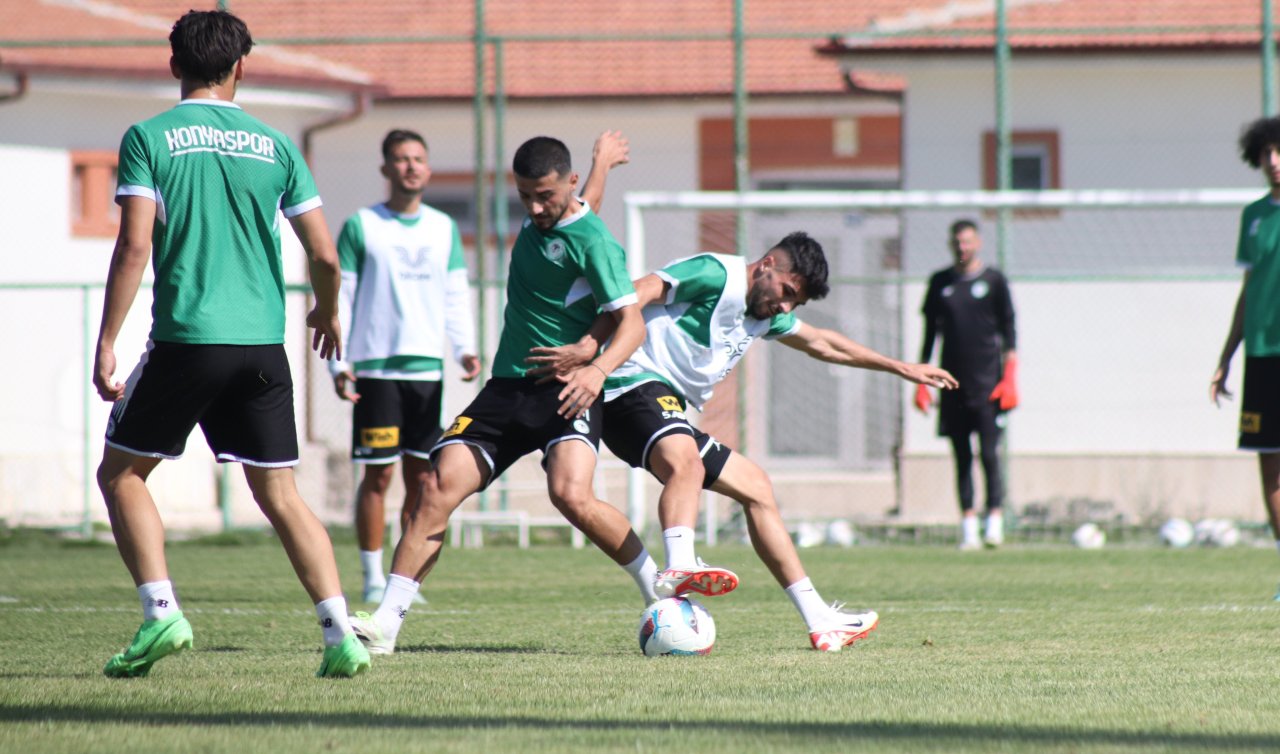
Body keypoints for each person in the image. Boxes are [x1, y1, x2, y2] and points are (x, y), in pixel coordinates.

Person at [91, 10, 369, 679]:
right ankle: (340, 635)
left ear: (173, 65)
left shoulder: (148, 137)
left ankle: (162, 615)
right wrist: (327, 314)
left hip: (190, 338)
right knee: (280, 494)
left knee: (121, 474)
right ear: (242, 66)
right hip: (263, 348)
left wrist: (107, 340)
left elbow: (133, 244)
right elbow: (326, 256)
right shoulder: (277, 145)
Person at [349, 134, 696, 654]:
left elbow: (632, 324)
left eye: (545, 197)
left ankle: (659, 590)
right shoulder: (559, 215)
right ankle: (385, 627)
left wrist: (596, 369)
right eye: (525, 196)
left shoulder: (596, 241)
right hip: (506, 389)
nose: (535, 208)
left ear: (568, 184)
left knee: (570, 494)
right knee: (436, 488)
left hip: (567, 393)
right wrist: (601, 165)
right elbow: (581, 212)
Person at [528, 233, 958, 651]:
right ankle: (678, 563)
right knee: (687, 466)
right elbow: (636, 292)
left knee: (757, 487)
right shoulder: (717, 273)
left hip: (659, 403)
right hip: (630, 384)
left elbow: (824, 343)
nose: (785, 305)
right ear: (767, 264)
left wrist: (901, 367)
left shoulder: (766, 315)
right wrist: (592, 349)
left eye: (796, 302)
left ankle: (820, 620)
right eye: (787, 291)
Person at [327, 129, 482, 604]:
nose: (411, 166)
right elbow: (344, 297)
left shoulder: (443, 228)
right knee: (377, 476)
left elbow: (456, 293)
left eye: (418, 158)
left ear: (428, 168)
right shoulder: (362, 225)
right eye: (401, 158)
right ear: (385, 168)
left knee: (424, 479)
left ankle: (402, 580)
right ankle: (372, 576)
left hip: (426, 372)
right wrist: (340, 361)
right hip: (376, 371)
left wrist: (465, 347)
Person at [914, 219, 1018, 550]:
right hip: (951, 386)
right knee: (961, 457)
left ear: (979, 243)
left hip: (988, 386)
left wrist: (1010, 375)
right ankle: (969, 526)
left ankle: (995, 523)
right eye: (958, 242)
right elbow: (930, 333)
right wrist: (922, 380)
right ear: (951, 244)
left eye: (968, 241)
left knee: (989, 455)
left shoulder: (994, 281)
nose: (963, 247)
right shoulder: (940, 283)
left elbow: (1009, 329)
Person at [1211, 116, 1280, 600]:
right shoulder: (1253, 216)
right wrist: (1225, 357)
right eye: (1266, 154)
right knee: (1270, 466)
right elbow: (1248, 289)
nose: (1274, 162)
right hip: (1261, 355)